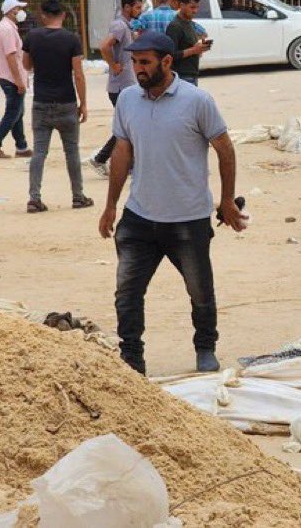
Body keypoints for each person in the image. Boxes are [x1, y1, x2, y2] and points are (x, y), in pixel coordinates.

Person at [98, 31, 245, 375]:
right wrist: (110, 205)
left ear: (167, 62)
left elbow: (225, 148)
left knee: (200, 292)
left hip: (187, 219)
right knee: (127, 293)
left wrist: (226, 200)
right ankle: (132, 357)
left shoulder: (197, 101)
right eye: (134, 62)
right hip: (139, 217)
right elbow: (122, 151)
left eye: (145, 62)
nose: (138, 69)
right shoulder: (128, 100)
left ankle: (205, 347)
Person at [22, 0, 92, 213]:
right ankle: (78, 196)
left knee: (39, 152)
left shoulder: (32, 37)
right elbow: (78, 75)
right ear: (63, 15)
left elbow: (26, 65)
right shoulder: (72, 39)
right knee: (71, 151)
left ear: (43, 15)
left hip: (41, 101)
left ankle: (34, 198)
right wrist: (83, 104)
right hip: (66, 101)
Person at [89, 0, 143, 177]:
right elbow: (104, 46)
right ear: (127, 7)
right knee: (128, 126)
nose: (140, 10)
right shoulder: (120, 26)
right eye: (137, 7)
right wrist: (113, 65)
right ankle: (102, 158)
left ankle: (118, 162)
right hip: (121, 86)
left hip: (125, 84)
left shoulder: (126, 26)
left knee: (129, 126)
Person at [0, 0, 32, 159]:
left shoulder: (7, 27)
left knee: (17, 112)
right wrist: (19, 80)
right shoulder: (6, 29)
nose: (21, 12)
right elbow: (11, 57)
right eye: (19, 8)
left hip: (10, 77)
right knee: (13, 113)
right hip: (11, 78)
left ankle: (21, 147)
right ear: (11, 11)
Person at [166, 0, 210, 86]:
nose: (195, 11)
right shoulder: (175, 26)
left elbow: (188, 46)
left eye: (197, 7)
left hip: (192, 74)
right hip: (181, 76)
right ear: (182, 5)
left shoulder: (189, 23)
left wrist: (199, 48)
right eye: (192, 7)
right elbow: (170, 55)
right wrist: (194, 50)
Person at [133, 0, 206, 37]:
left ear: (155, 0)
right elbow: (202, 33)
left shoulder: (145, 17)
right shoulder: (179, 17)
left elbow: (133, 30)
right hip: (173, 57)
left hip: (151, 57)